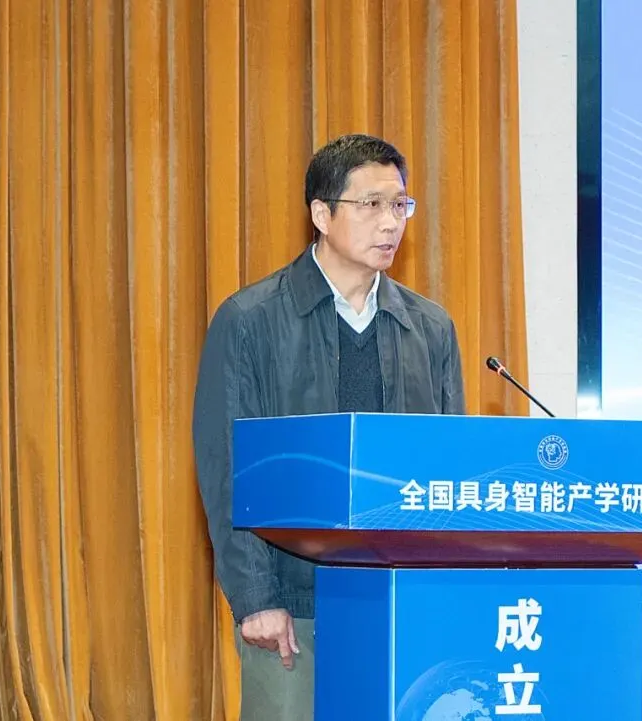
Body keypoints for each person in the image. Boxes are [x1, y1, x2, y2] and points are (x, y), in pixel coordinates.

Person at [191, 134, 467, 721]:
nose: (390, 222)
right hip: (293, 603)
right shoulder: (251, 321)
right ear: (321, 213)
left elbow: (449, 469)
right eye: (371, 204)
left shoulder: (430, 328)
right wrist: (256, 598)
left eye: (400, 205)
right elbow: (227, 467)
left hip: (401, 600)